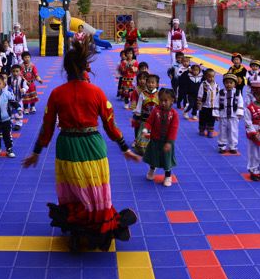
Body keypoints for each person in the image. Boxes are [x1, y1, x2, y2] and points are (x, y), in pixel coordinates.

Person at [22, 38, 141, 252]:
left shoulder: (57, 94)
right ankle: (99, 227)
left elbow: (47, 128)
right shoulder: (96, 92)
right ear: (86, 66)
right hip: (93, 145)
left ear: (66, 68)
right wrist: (125, 148)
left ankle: (78, 228)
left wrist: (36, 152)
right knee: (96, 189)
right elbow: (110, 125)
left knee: (73, 188)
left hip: (67, 146)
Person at [142, 89, 179, 187]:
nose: (163, 103)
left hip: (167, 142)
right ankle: (152, 169)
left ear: (172, 101)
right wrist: (146, 129)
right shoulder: (155, 111)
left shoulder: (174, 114)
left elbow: (173, 129)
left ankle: (168, 176)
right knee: (153, 156)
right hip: (155, 140)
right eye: (161, 100)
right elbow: (149, 121)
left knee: (167, 159)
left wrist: (169, 142)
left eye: (166, 101)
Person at [213, 74, 244, 154]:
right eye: (227, 83)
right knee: (222, 131)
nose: (229, 84)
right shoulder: (221, 92)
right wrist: (216, 114)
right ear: (224, 83)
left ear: (235, 84)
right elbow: (216, 102)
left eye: (231, 83)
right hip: (223, 115)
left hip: (234, 116)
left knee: (233, 132)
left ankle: (233, 146)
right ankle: (222, 146)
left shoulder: (237, 93)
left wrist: (239, 113)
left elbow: (240, 103)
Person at [133, 74, 160, 155]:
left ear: (157, 84)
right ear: (146, 83)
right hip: (145, 117)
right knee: (143, 131)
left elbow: (160, 105)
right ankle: (142, 147)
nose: (150, 84)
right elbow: (139, 104)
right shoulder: (143, 94)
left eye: (153, 83)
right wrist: (137, 113)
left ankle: (153, 148)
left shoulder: (159, 94)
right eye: (148, 82)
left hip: (155, 118)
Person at [197, 68, 218, 137]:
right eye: (209, 77)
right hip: (204, 106)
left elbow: (218, 95)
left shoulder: (216, 85)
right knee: (203, 119)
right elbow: (200, 94)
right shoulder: (203, 85)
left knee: (211, 119)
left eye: (213, 76)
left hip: (212, 106)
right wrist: (199, 104)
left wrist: (218, 106)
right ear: (205, 77)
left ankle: (210, 130)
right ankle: (202, 129)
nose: (211, 78)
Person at [7, 64, 28, 131]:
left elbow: (26, 87)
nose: (15, 73)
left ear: (20, 71)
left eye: (17, 71)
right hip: (10, 99)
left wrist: (23, 89)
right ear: (11, 71)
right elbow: (5, 86)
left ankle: (18, 124)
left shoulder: (22, 80)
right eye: (13, 71)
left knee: (19, 111)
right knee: (10, 110)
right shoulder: (9, 79)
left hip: (19, 99)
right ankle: (10, 122)